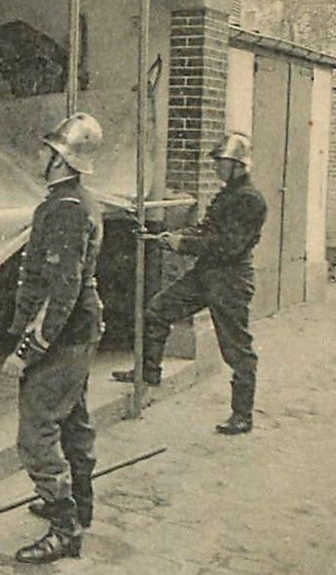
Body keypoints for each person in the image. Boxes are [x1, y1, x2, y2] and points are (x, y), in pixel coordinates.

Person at [113, 132, 267, 435]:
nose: (216, 168)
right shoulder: (228, 194)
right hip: (207, 273)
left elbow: (227, 246)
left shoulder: (250, 200)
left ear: (238, 165)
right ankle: (149, 373)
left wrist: (183, 243)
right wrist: (172, 237)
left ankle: (242, 415)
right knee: (158, 309)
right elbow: (208, 229)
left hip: (231, 279)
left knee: (237, 349)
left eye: (222, 163)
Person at [5, 112, 105, 564]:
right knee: (74, 421)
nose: (39, 155)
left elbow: (61, 290)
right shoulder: (79, 199)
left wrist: (28, 351)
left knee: (37, 431)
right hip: (80, 333)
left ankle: (64, 529)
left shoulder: (66, 210)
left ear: (62, 161)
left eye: (47, 150)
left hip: (62, 338)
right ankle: (79, 504)